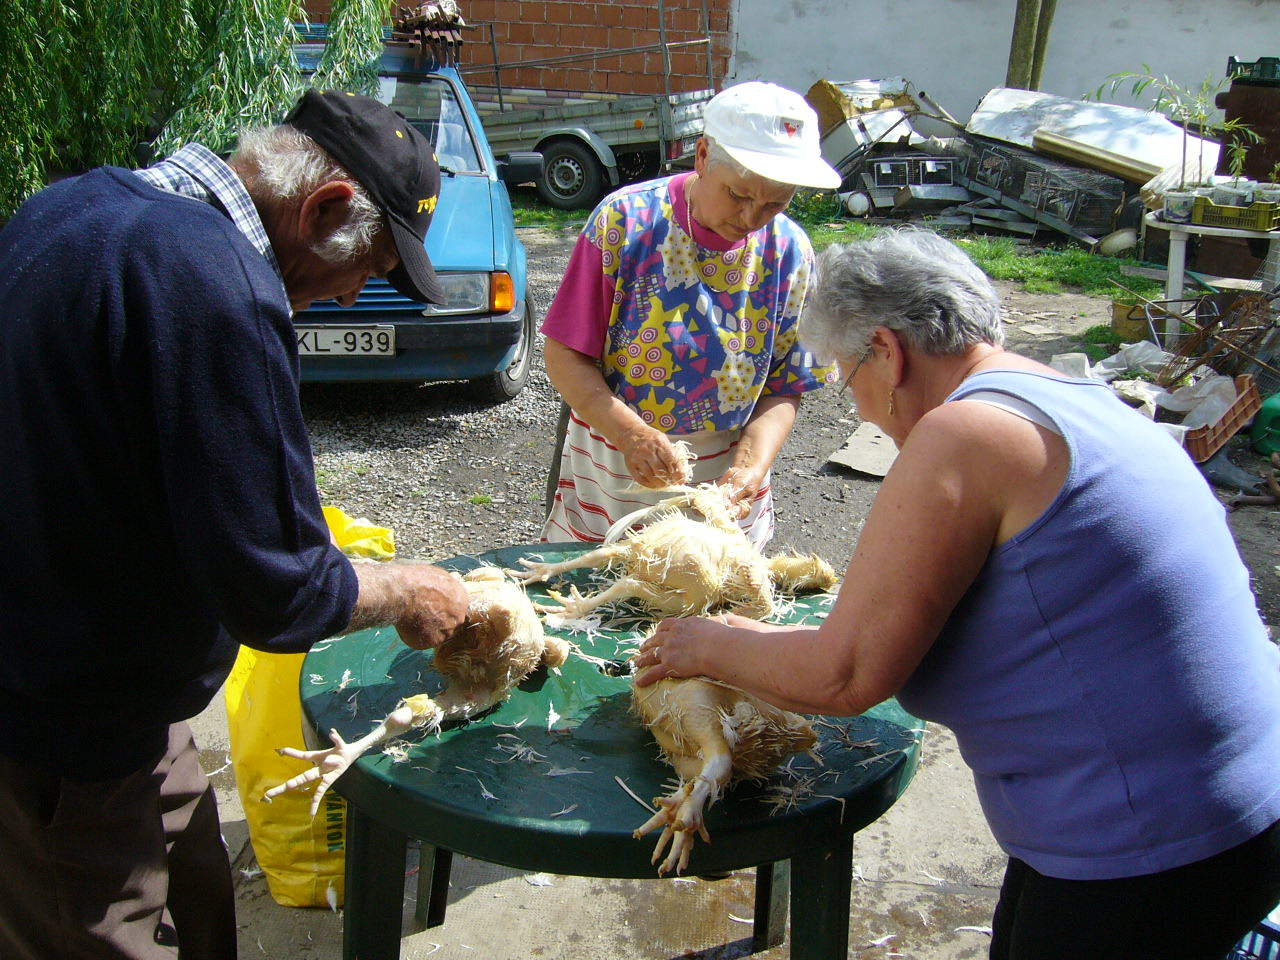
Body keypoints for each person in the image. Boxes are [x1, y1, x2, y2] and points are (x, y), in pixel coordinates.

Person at [634, 229, 1280, 959]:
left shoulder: (964, 435)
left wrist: (705, 640)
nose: (865, 416)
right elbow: (873, 635)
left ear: (889, 350)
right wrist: (743, 643)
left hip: (1153, 843)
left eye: (850, 380)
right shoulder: (1065, 392)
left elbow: (843, 674)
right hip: (1235, 806)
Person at [0, 89, 472, 960]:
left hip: (130, 701)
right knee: (97, 930)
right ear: (324, 208)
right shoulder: (216, 290)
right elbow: (279, 590)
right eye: (369, 266)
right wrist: (410, 587)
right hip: (57, 727)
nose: (352, 294)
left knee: (199, 892)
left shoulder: (73, 204)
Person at [540, 80, 841, 546]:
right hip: (617, 455)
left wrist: (749, 467)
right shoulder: (624, 222)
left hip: (726, 476)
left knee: (713, 602)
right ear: (702, 156)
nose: (751, 217)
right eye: (739, 195)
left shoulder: (790, 251)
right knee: (601, 599)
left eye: (776, 202)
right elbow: (565, 354)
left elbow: (787, 385)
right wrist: (632, 436)